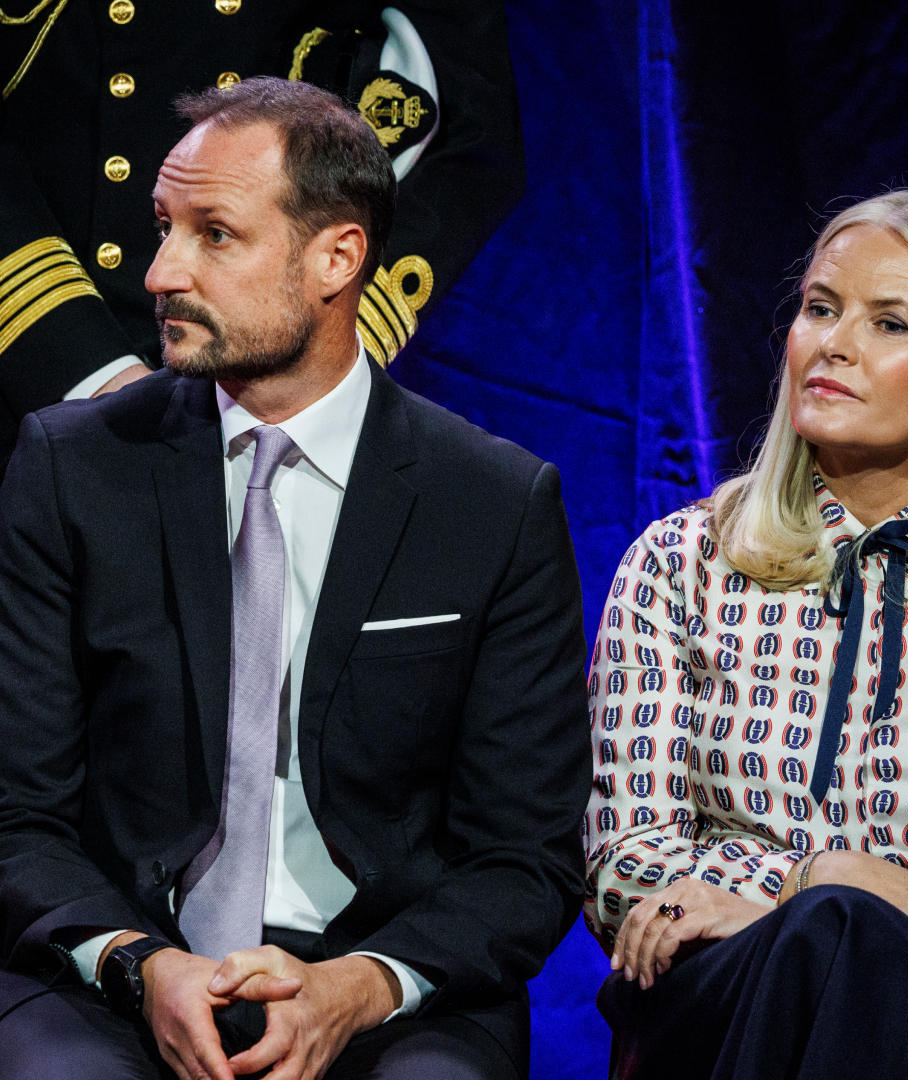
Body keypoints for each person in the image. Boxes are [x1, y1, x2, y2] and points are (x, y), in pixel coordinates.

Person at [0, 77, 588, 1080]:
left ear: (337, 258)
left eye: (214, 235)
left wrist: (357, 987)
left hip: (386, 985)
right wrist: (141, 965)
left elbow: (524, 856)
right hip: (119, 963)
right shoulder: (72, 468)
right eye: (164, 227)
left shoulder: (492, 503)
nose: (160, 272)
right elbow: (19, 811)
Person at [583, 190, 908, 1079]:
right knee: (821, 939)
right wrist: (819, 885)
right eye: (820, 309)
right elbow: (627, 864)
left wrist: (840, 913)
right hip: (718, 999)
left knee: (843, 952)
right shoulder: (679, 562)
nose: (833, 344)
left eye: (888, 324)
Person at [0, 0, 524, 474]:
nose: (161, 276)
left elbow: (470, 131)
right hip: (33, 360)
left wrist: (312, 354)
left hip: (270, 381)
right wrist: (91, 369)